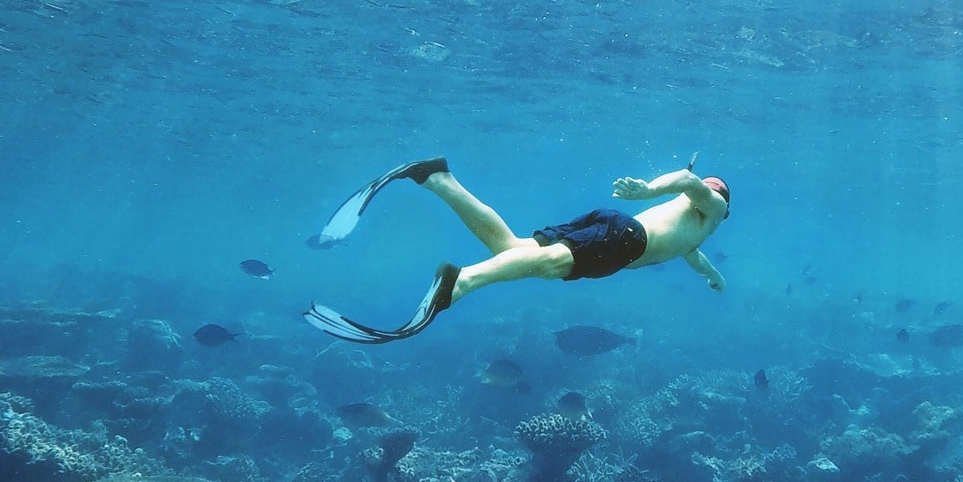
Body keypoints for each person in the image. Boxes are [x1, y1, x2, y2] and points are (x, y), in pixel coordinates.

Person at [304, 158, 729, 344]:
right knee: (546, 266)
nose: (710, 191)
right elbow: (690, 183)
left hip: (616, 226)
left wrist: (714, 276)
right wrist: (650, 189)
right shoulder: (714, 206)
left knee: (511, 248)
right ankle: (461, 282)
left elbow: (693, 256)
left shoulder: (695, 235)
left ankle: (437, 178)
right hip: (627, 240)